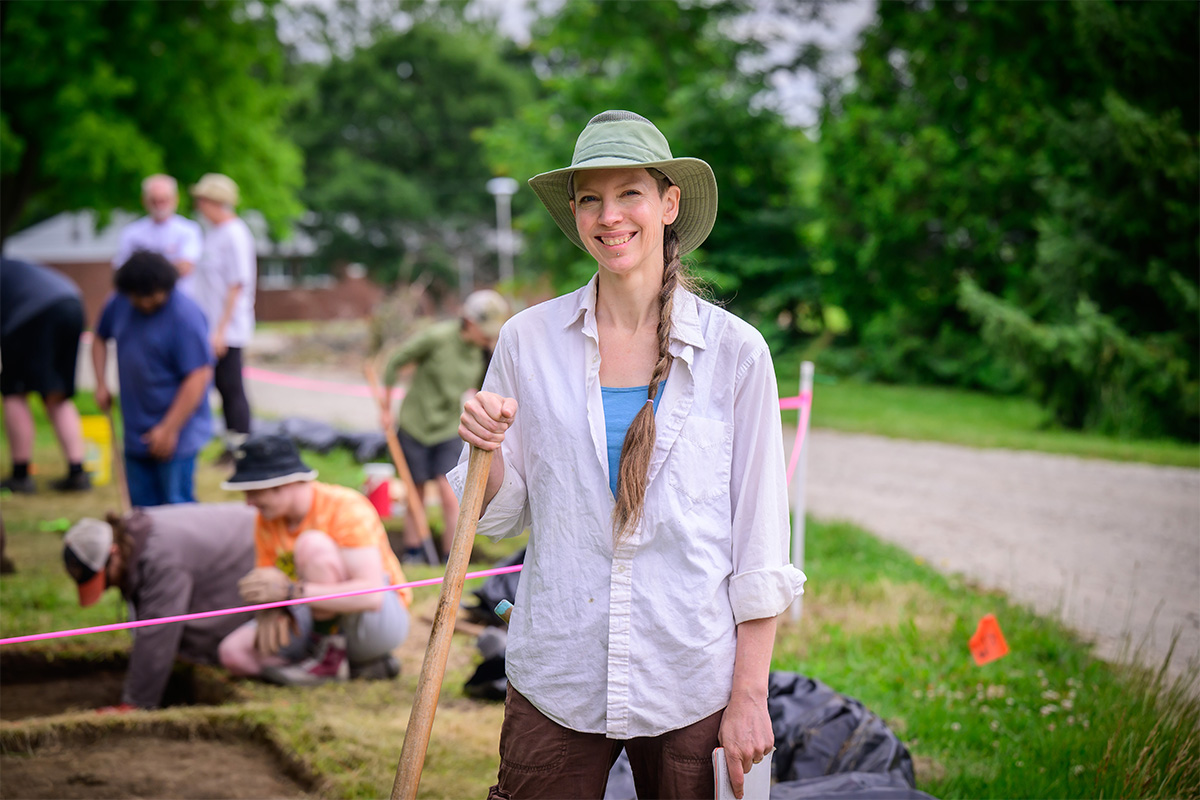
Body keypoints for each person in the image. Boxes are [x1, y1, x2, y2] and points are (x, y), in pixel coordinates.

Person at [452, 110, 806, 800]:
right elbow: (497, 516)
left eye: (629, 194)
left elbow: (760, 544)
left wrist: (749, 695)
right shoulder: (527, 341)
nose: (608, 216)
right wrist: (484, 445)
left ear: (669, 203)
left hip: (691, 675)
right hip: (559, 668)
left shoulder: (736, 355)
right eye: (590, 199)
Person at [217, 434, 412, 685]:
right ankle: (342, 668)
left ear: (284, 484)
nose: (249, 503)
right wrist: (270, 608)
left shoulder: (345, 506)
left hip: (374, 621)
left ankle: (332, 663)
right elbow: (268, 581)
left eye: (254, 492)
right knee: (233, 654)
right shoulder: (266, 520)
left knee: (312, 545)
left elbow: (371, 595)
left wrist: (290, 592)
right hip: (312, 613)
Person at [61, 504, 258, 710]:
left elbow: (158, 629)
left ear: (115, 552)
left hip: (253, 555)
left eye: (107, 580)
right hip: (228, 551)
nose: (109, 588)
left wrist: (134, 704)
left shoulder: (160, 558)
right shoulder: (136, 535)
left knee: (175, 629)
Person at [381, 289, 510, 562]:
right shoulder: (437, 338)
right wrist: (385, 408)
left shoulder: (483, 352)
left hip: (448, 428)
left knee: (450, 492)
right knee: (414, 491)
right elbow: (395, 362)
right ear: (469, 321)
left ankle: (452, 556)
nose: (489, 337)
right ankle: (414, 552)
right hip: (416, 423)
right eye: (485, 330)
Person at [93, 251, 214, 507]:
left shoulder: (185, 315)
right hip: (136, 426)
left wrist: (169, 429)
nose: (144, 302)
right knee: (142, 510)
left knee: (176, 504)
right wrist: (101, 383)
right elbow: (99, 338)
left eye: (151, 296)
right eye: (137, 296)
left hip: (179, 429)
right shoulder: (120, 302)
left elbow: (198, 376)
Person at [0, 257, 91, 493]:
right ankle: (77, 472)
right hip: (72, 303)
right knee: (57, 394)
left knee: (14, 392)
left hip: (31, 313)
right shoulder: (12, 267)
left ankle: (20, 475)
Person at [189, 173, 257, 463]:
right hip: (213, 326)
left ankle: (241, 447)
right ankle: (230, 443)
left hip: (227, 327)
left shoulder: (235, 234)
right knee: (220, 385)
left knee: (231, 387)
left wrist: (220, 330)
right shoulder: (214, 233)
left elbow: (236, 284)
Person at [112, 174, 203, 294]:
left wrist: (143, 271)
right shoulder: (131, 232)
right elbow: (121, 269)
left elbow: (185, 267)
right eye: (154, 201)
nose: (159, 206)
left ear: (175, 199)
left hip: (177, 297)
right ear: (144, 200)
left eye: (163, 200)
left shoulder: (189, 230)